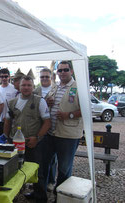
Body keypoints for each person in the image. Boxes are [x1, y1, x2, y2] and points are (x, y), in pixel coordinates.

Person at [3, 75, 51, 202]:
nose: (26, 87)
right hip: (15, 143)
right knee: (14, 171)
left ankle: (40, 197)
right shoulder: (12, 102)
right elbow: (7, 122)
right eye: (23, 85)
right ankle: (14, 195)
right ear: (19, 86)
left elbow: (47, 122)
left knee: (37, 172)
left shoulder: (40, 101)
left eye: (29, 85)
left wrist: (37, 137)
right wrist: (5, 138)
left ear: (33, 86)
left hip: (33, 143)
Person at [43, 61, 83, 197]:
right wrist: (46, 102)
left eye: (65, 70)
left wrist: (69, 115)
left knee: (64, 169)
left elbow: (88, 110)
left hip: (68, 136)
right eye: (59, 70)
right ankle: (41, 193)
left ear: (71, 71)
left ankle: (60, 197)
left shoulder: (79, 87)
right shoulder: (55, 87)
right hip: (51, 133)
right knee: (44, 164)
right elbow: (46, 104)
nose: (62, 73)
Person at [34, 68, 57, 191]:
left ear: (51, 78)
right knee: (41, 158)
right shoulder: (35, 90)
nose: (44, 79)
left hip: (53, 127)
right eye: (42, 77)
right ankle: (40, 184)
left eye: (46, 77)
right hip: (39, 127)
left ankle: (51, 181)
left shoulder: (56, 89)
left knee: (52, 158)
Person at [0, 68, 17, 135]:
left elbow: (15, 105)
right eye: (2, 76)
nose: (4, 78)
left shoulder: (14, 89)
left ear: (9, 77)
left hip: (9, 120)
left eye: (6, 76)